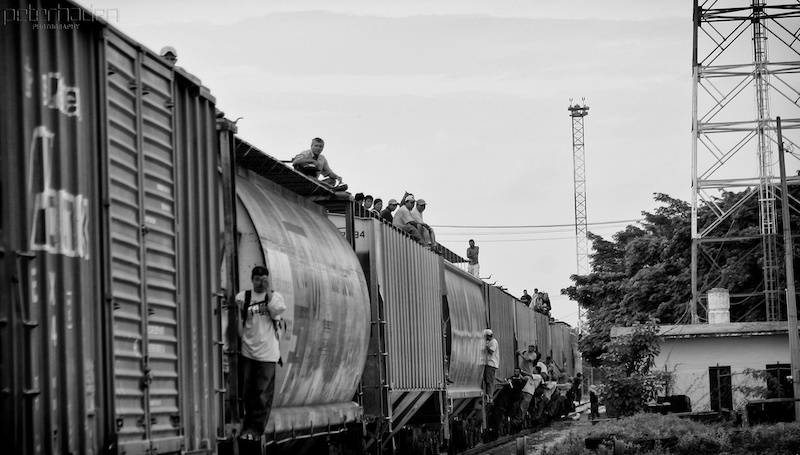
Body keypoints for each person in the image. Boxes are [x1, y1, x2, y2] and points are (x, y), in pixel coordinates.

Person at [236, 265, 287, 441]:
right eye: (257, 279)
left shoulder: (275, 297)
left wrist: (268, 290)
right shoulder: (243, 297)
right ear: (252, 279)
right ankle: (247, 428)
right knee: (248, 392)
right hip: (248, 351)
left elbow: (277, 310)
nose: (260, 283)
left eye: (263, 279)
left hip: (268, 354)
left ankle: (256, 430)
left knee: (262, 394)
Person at [483, 328, 500, 404]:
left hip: (491, 363)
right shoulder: (490, 341)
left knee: (489, 381)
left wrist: (486, 346)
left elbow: (491, 350)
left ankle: (490, 396)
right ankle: (488, 395)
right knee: (487, 380)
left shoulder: (493, 342)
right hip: (489, 363)